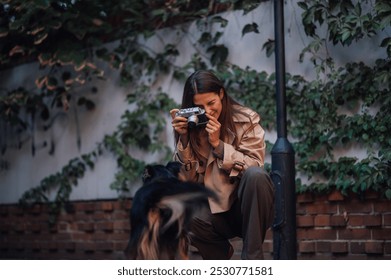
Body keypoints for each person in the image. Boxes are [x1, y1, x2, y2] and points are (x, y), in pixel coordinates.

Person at [170, 69, 274, 260]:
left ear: (221, 94)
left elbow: (254, 165)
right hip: (212, 212)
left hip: (246, 209)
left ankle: (253, 260)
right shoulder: (190, 127)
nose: (208, 111)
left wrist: (218, 146)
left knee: (256, 176)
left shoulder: (246, 120)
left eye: (211, 103)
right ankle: (219, 260)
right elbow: (186, 183)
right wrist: (184, 141)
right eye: (200, 107)